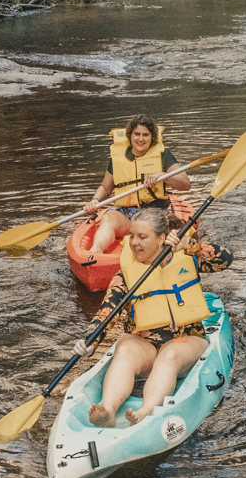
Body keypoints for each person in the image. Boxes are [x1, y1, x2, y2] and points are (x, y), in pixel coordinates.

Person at [72, 208, 233, 428]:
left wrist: (189, 245)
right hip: (144, 342)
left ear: (161, 239)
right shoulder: (125, 274)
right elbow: (108, 311)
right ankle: (108, 409)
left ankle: (146, 410)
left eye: (142, 237)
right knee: (125, 350)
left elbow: (225, 259)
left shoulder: (188, 259)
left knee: (169, 356)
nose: (134, 243)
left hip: (185, 340)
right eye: (131, 236)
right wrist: (91, 341)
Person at [81, 114, 191, 256]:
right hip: (126, 214)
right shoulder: (118, 158)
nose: (140, 139)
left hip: (154, 212)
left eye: (145, 135)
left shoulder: (163, 155)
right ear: (130, 136)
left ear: (152, 137)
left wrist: (163, 176)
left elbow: (185, 184)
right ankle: (95, 252)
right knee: (109, 217)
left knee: (150, 230)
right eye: (137, 134)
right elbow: (105, 187)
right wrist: (95, 200)